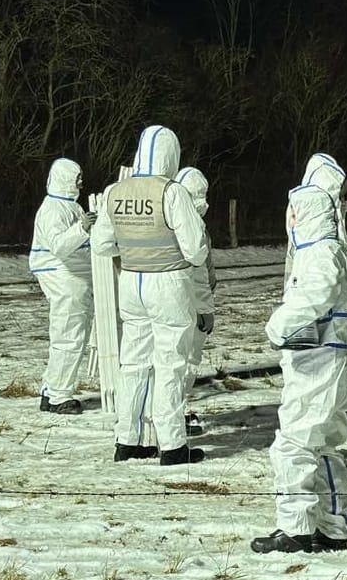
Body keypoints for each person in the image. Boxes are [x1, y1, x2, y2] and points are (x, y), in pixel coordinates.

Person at [90, 125, 210, 465]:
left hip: (130, 282)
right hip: (169, 283)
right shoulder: (171, 192)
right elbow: (197, 250)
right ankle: (171, 444)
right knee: (171, 363)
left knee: (134, 364)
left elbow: (100, 244)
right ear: (172, 155)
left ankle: (127, 439)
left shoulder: (115, 191)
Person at [256, 182, 347, 553]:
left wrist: (279, 325)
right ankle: (333, 525)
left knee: (293, 445)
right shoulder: (326, 250)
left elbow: (319, 294)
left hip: (318, 363)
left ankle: (295, 527)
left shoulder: (320, 253)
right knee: (325, 445)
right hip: (327, 359)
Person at [28, 158, 93, 415]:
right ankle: (59, 396)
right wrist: (83, 228)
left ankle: (52, 389)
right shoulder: (53, 209)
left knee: (70, 334)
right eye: (77, 177)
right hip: (63, 277)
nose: (80, 182)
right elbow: (60, 246)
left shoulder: (71, 206)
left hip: (74, 278)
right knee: (69, 334)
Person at [173, 166, 217, 436]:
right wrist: (205, 309)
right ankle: (175, 411)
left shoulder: (181, 220)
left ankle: (174, 408)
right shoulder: (190, 225)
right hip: (191, 306)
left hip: (180, 302)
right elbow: (198, 272)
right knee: (187, 360)